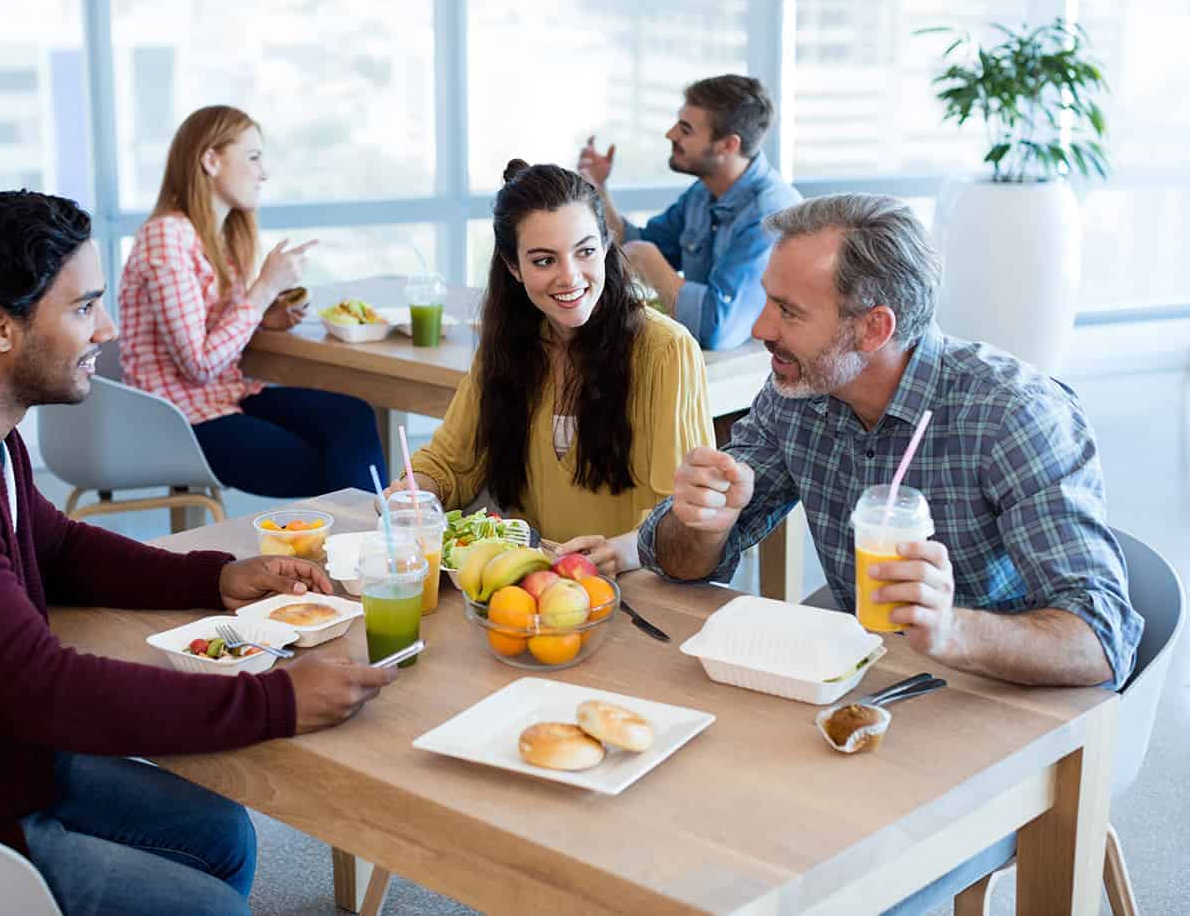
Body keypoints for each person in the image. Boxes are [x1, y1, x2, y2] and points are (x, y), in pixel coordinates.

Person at [0, 191, 398, 916]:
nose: (106, 330)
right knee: (217, 909)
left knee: (222, 836)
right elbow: (41, 688)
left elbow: (59, 547)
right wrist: (277, 697)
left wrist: (218, 575)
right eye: (84, 307)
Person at [639, 193, 1144, 913]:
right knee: (698, 832)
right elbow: (684, 563)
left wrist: (953, 629)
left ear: (874, 327)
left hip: (1000, 718)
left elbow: (1103, 636)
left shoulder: (1013, 415)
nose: (759, 328)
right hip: (866, 697)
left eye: (788, 310)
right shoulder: (801, 389)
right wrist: (703, 522)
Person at [388, 160, 714, 576]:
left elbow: (684, 516)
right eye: (544, 261)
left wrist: (622, 550)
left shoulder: (667, 350)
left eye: (585, 252)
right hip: (533, 590)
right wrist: (414, 494)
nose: (571, 277)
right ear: (513, 267)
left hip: (638, 594)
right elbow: (451, 463)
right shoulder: (507, 347)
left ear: (606, 246)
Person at [119, 105, 386, 496]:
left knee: (353, 417)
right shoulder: (166, 236)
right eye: (254, 157)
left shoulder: (218, 238)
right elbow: (199, 364)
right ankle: (370, 547)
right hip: (182, 420)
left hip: (228, 397)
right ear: (210, 160)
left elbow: (202, 327)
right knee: (330, 466)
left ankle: (371, 543)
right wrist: (262, 290)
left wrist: (262, 317)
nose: (264, 173)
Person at [577, 74, 801, 351]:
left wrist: (648, 259)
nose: (670, 134)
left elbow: (716, 329)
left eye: (685, 129)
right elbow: (628, 242)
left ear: (728, 145)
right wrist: (598, 187)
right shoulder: (702, 193)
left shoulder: (770, 213)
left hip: (750, 374)